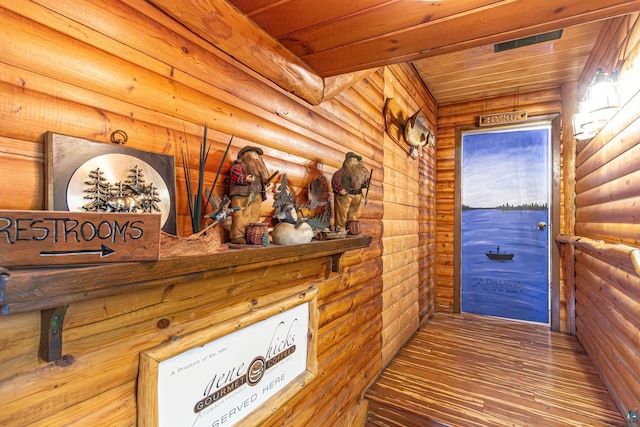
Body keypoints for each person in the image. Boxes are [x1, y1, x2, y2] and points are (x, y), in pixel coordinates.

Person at [228, 146, 271, 244]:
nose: (256, 158)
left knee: (254, 216)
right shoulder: (239, 166)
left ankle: (251, 235)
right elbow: (235, 175)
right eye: (254, 155)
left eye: (257, 156)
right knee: (240, 216)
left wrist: (266, 182)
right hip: (242, 194)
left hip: (256, 194)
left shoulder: (258, 168)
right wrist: (245, 178)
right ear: (245, 156)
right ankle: (237, 236)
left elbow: (263, 178)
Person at [331, 152, 370, 232]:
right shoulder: (341, 172)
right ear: (349, 161)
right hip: (345, 195)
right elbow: (335, 181)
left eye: (357, 161)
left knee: (353, 213)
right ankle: (340, 227)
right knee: (341, 212)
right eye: (354, 160)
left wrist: (366, 184)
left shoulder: (358, 173)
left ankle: (351, 227)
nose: (356, 162)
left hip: (357, 195)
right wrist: (339, 189)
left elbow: (360, 183)